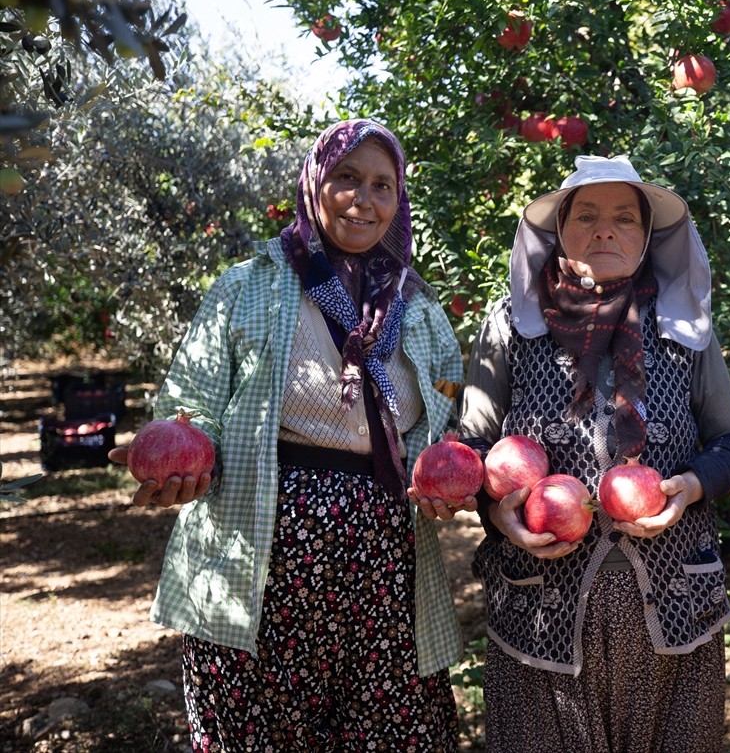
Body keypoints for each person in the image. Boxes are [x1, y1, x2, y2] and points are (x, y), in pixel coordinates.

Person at [109, 119, 471, 751]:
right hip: (260, 554)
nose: (365, 199)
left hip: (384, 563)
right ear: (313, 183)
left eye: (383, 185)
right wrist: (176, 458)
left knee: (390, 731)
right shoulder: (245, 288)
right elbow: (190, 404)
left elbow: (446, 418)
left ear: (399, 200)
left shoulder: (418, 307)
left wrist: (450, 479)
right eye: (347, 178)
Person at [459, 155, 730, 753]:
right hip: (538, 614)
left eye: (625, 218)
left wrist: (689, 488)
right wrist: (500, 515)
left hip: (673, 612)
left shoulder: (682, 329)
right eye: (587, 216)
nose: (605, 230)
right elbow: (471, 451)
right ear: (557, 232)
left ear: (647, 238)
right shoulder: (513, 327)